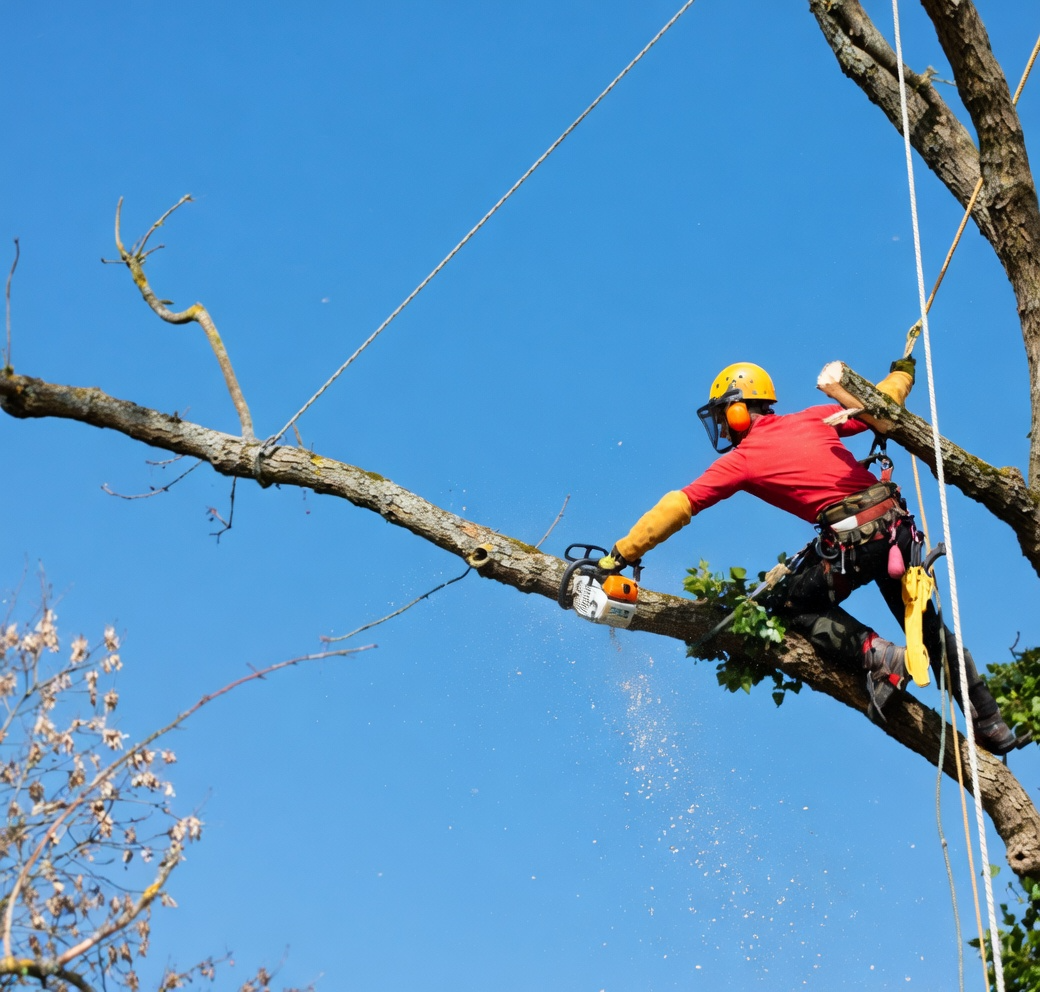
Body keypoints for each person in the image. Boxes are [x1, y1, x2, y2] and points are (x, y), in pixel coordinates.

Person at [606, 361, 1029, 756]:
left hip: (857, 543)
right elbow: (881, 399)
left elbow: (679, 505)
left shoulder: (743, 459)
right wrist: (902, 374)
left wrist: (621, 554)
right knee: (928, 626)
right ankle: (991, 722)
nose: (722, 427)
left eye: (723, 416)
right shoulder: (813, 417)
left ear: (737, 411)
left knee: (791, 604)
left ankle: (883, 658)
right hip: (895, 530)